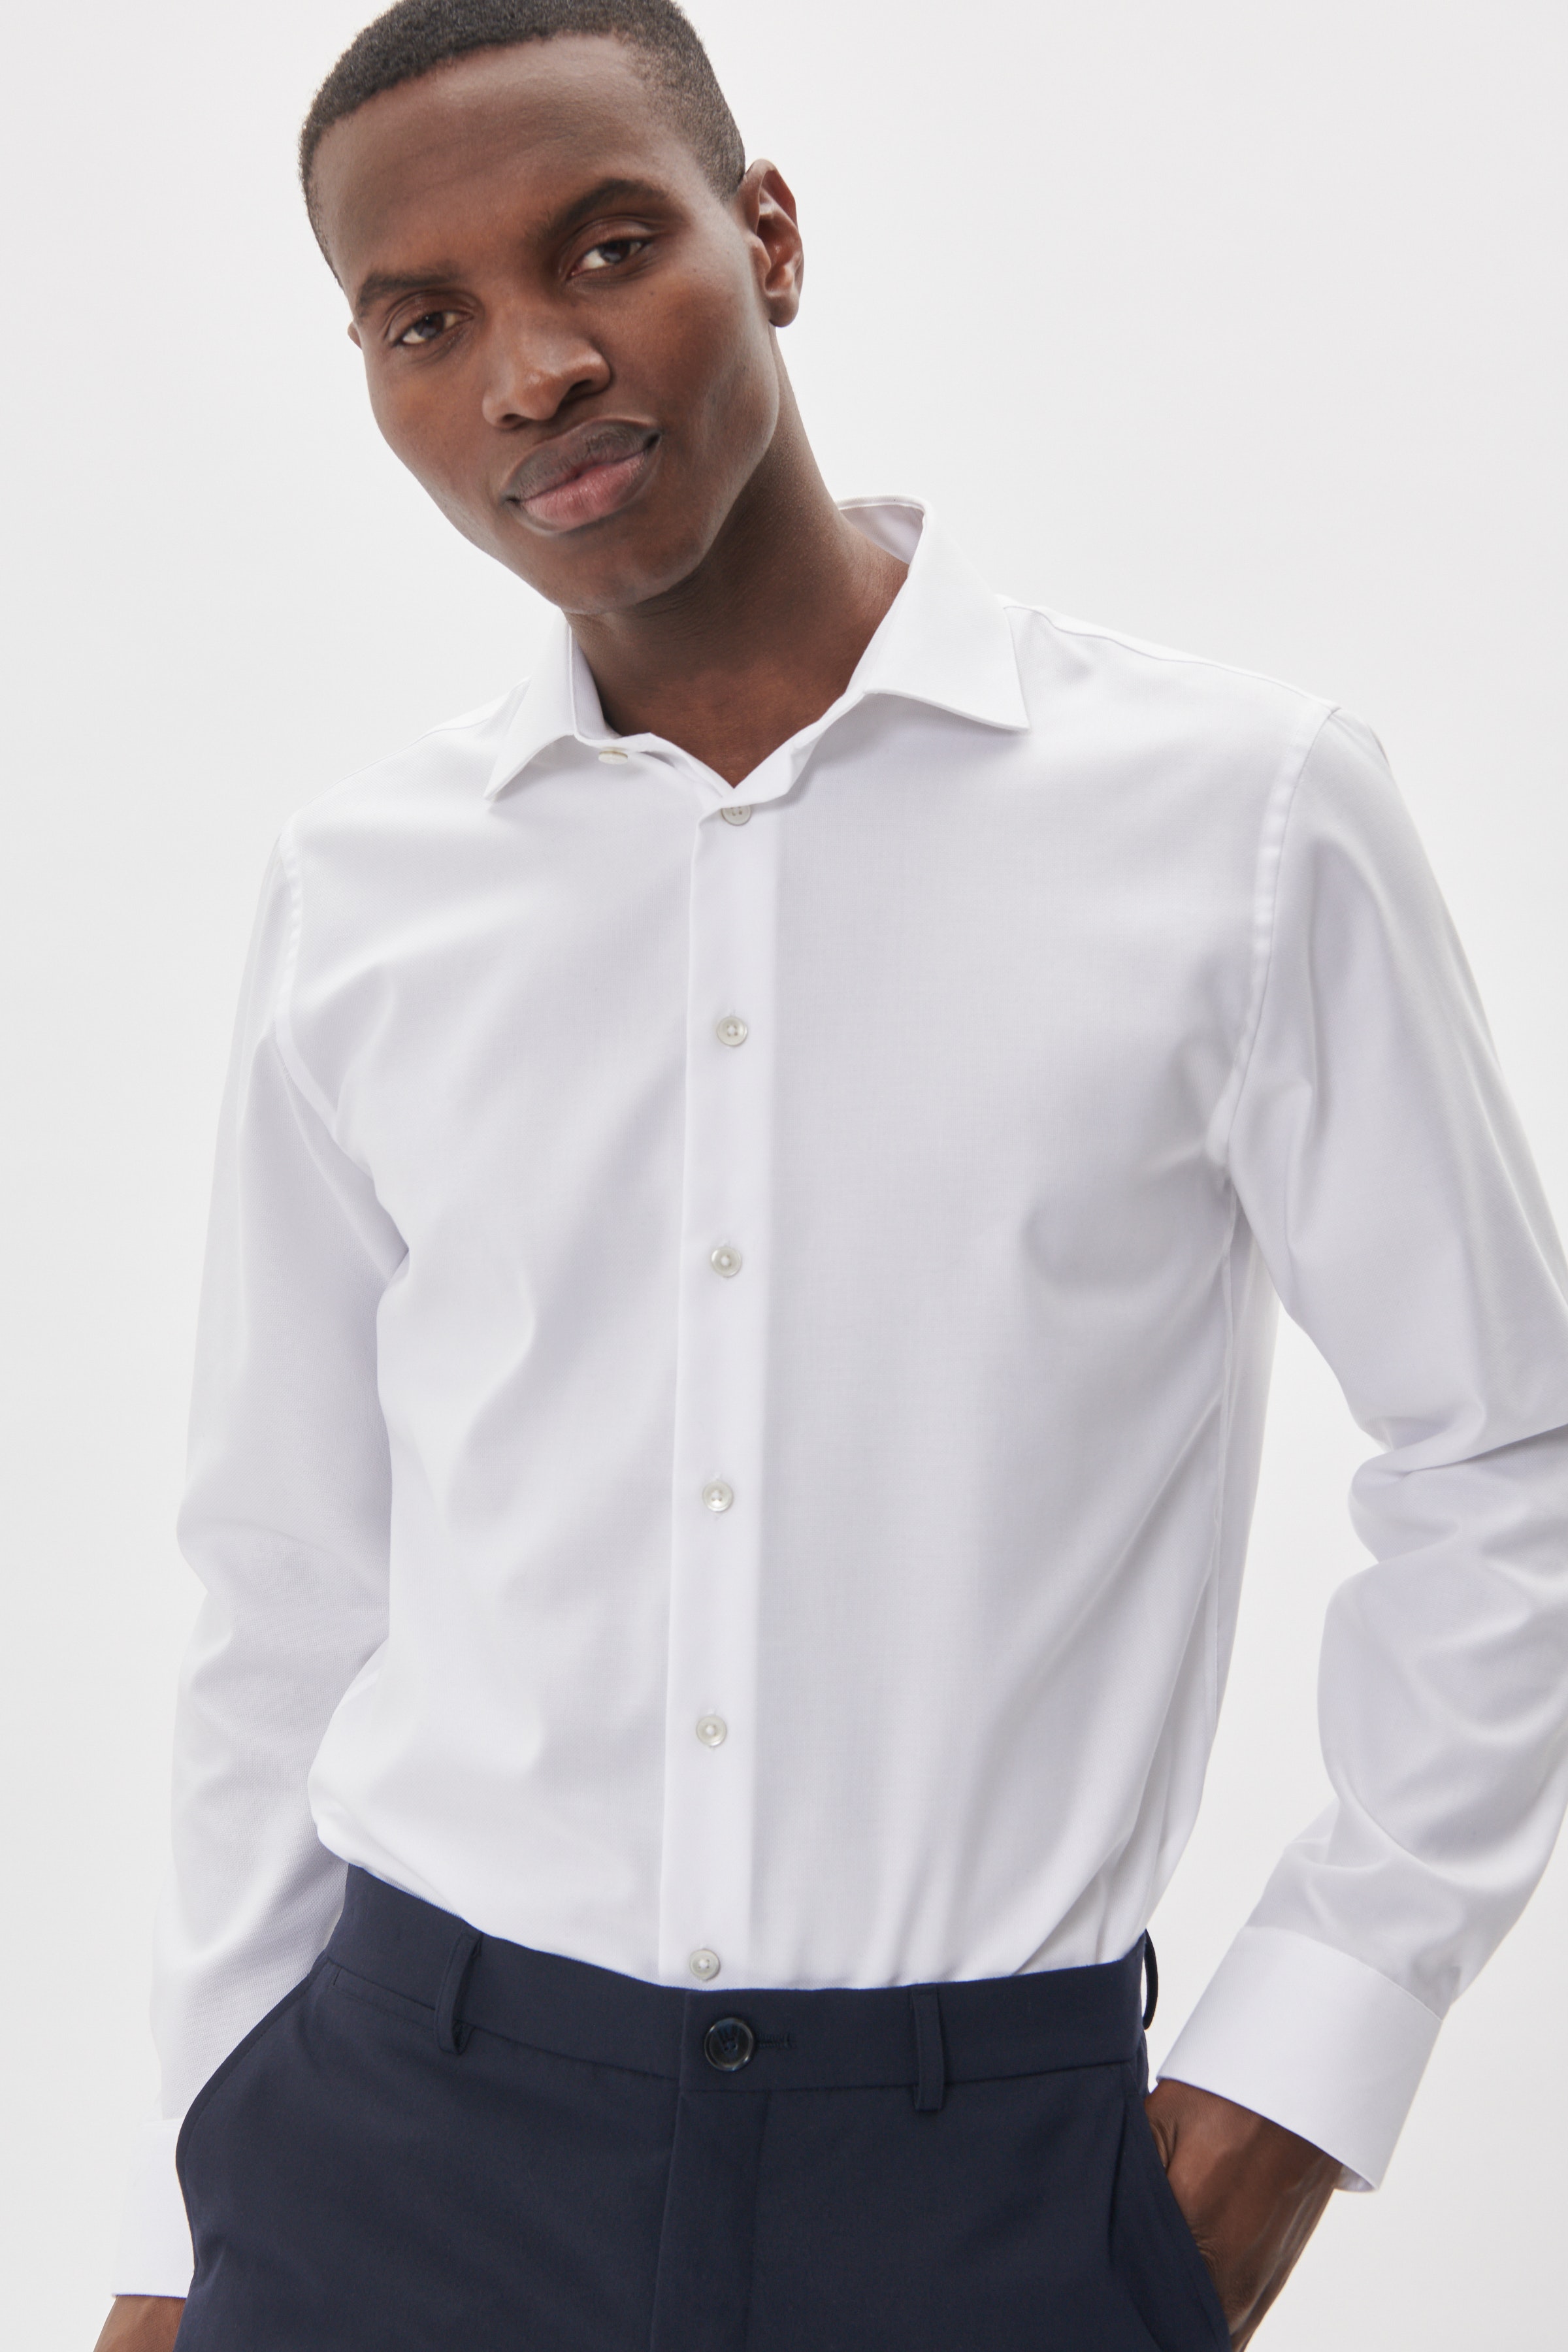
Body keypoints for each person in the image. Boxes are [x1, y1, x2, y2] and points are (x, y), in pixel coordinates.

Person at [97, 2, 1568, 2347]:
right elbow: (286, 1576)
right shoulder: (366, 893)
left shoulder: (1243, 819)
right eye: (424, 320)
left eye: (607, 247)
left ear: (767, 236)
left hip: (983, 2188)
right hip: (393, 2150)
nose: (536, 369)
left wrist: (1302, 2074)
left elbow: (1505, 1455)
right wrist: (202, 2215)